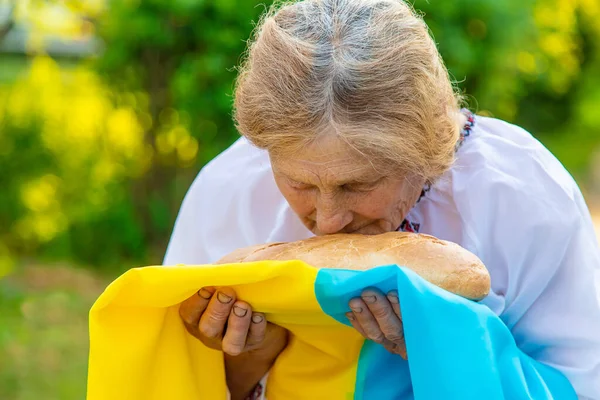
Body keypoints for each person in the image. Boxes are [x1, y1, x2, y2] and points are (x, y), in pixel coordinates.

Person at [163, 0, 600, 399]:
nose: (329, 220)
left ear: (427, 149)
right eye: (301, 184)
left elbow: (580, 383)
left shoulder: (521, 196)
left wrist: (451, 349)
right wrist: (251, 358)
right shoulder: (229, 190)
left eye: (357, 185)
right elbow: (166, 377)